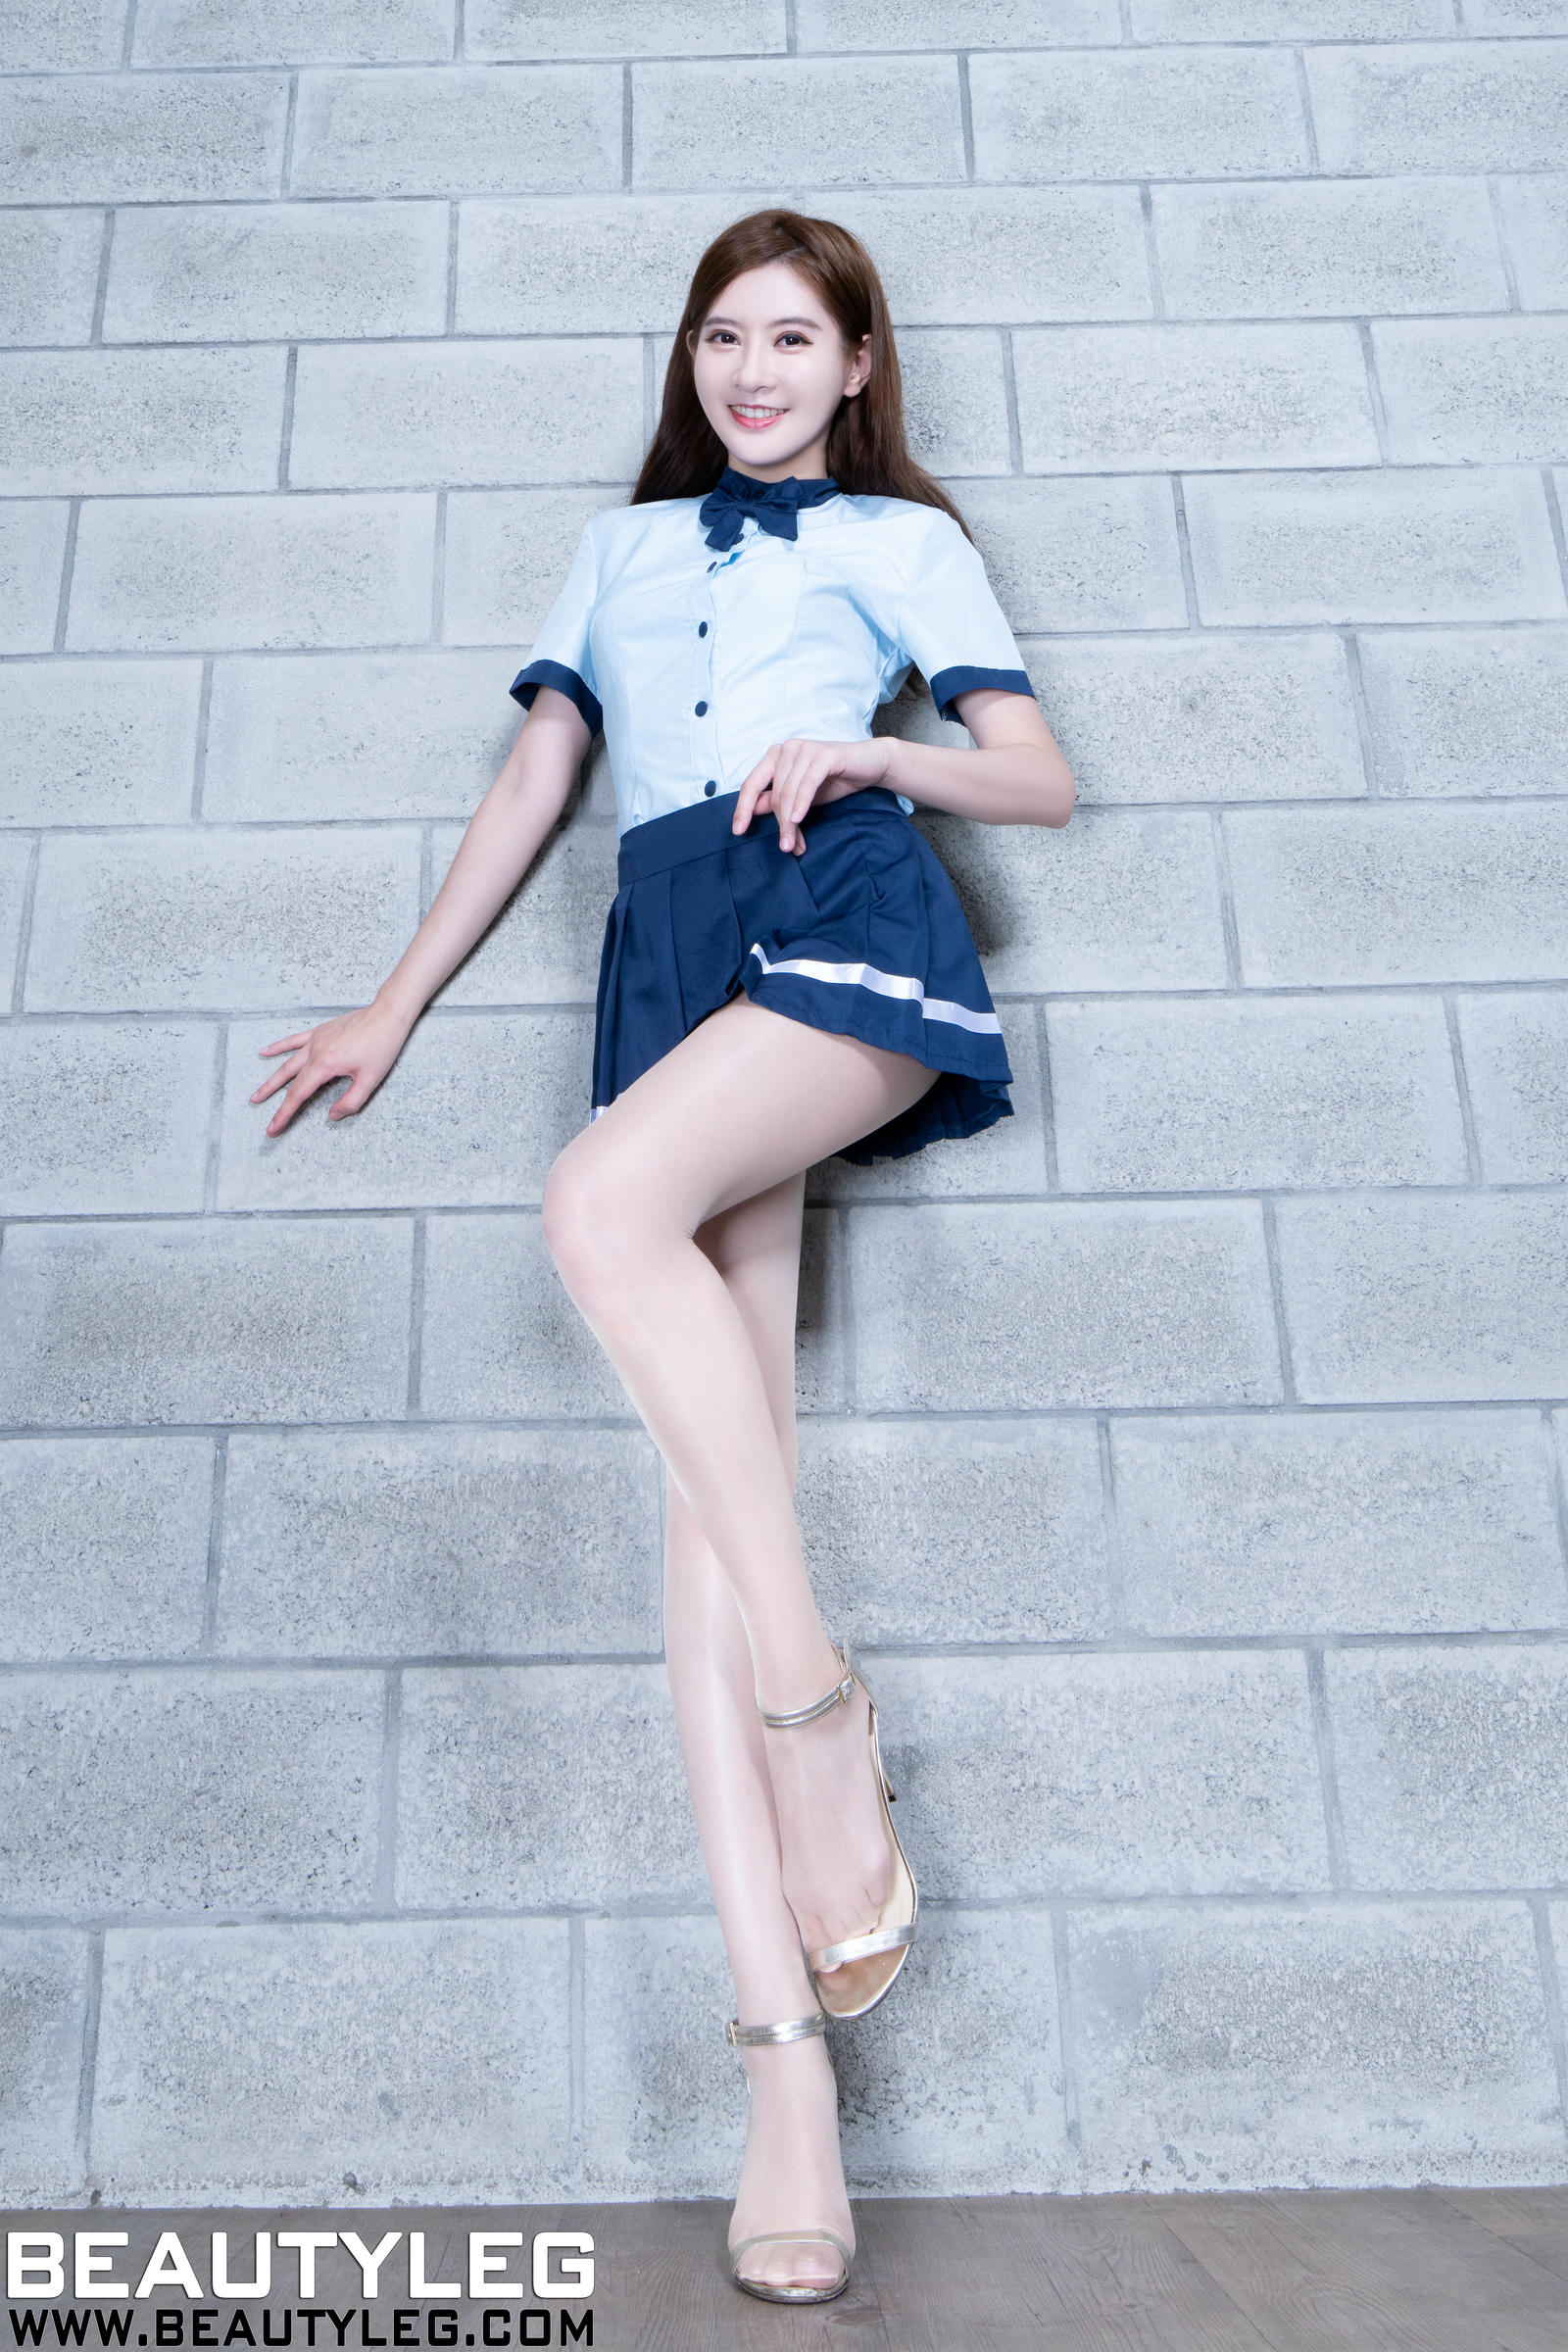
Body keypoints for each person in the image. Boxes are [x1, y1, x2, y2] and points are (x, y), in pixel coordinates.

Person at [252, 209, 1075, 2305]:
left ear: (858, 362)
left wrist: (873, 748)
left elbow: (1040, 781)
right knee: (711, 1512)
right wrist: (392, 1005)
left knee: (594, 1206)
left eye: (792, 337)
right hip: (669, 941)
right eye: (723, 335)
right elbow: (541, 775)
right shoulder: (619, 554)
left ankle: (818, 1710)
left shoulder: (898, 542)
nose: (752, 370)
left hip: (836, 901)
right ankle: (788, 2086)